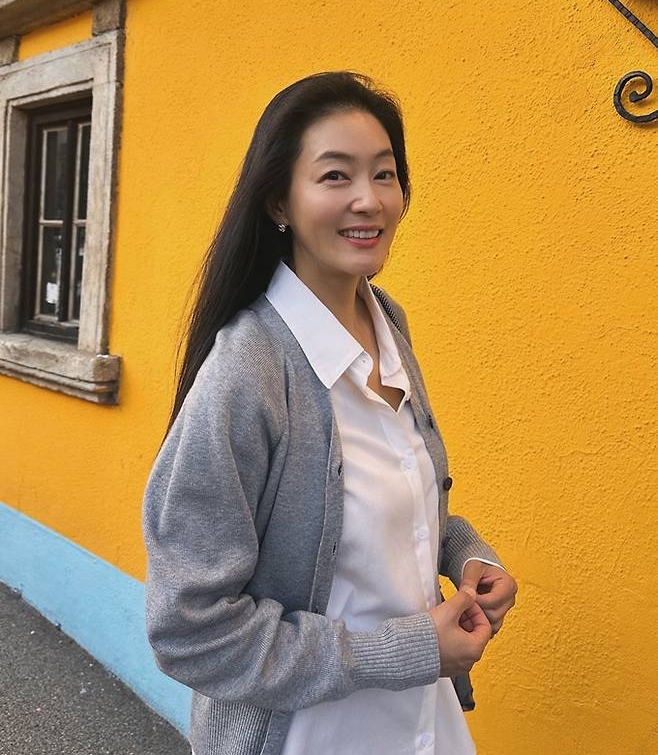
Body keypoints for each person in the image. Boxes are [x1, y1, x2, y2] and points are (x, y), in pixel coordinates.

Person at [142, 71, 517, 755]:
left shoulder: (387, 324)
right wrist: (404, 651)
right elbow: (191, 630)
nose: (369, 199)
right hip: (308, 737)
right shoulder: (247, 374)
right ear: (278, 201)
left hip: (425, 725)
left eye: (385, 174)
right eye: (335, 176)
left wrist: (466, 555)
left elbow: (380, 509)